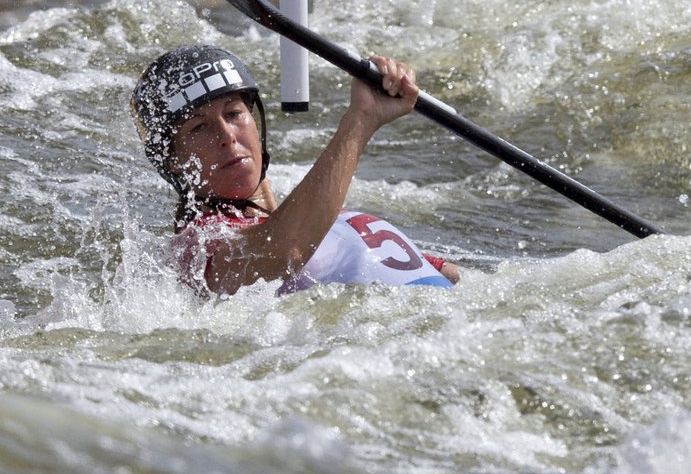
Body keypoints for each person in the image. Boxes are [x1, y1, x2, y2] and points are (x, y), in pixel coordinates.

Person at [130, 44, 459, 297]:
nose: (227, 136)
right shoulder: (198, 247)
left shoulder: (337, 219)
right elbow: (283, 253)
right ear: (172, 160)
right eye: (198, 128)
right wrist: (362, 120)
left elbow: (464, 284)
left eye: (233, 114)